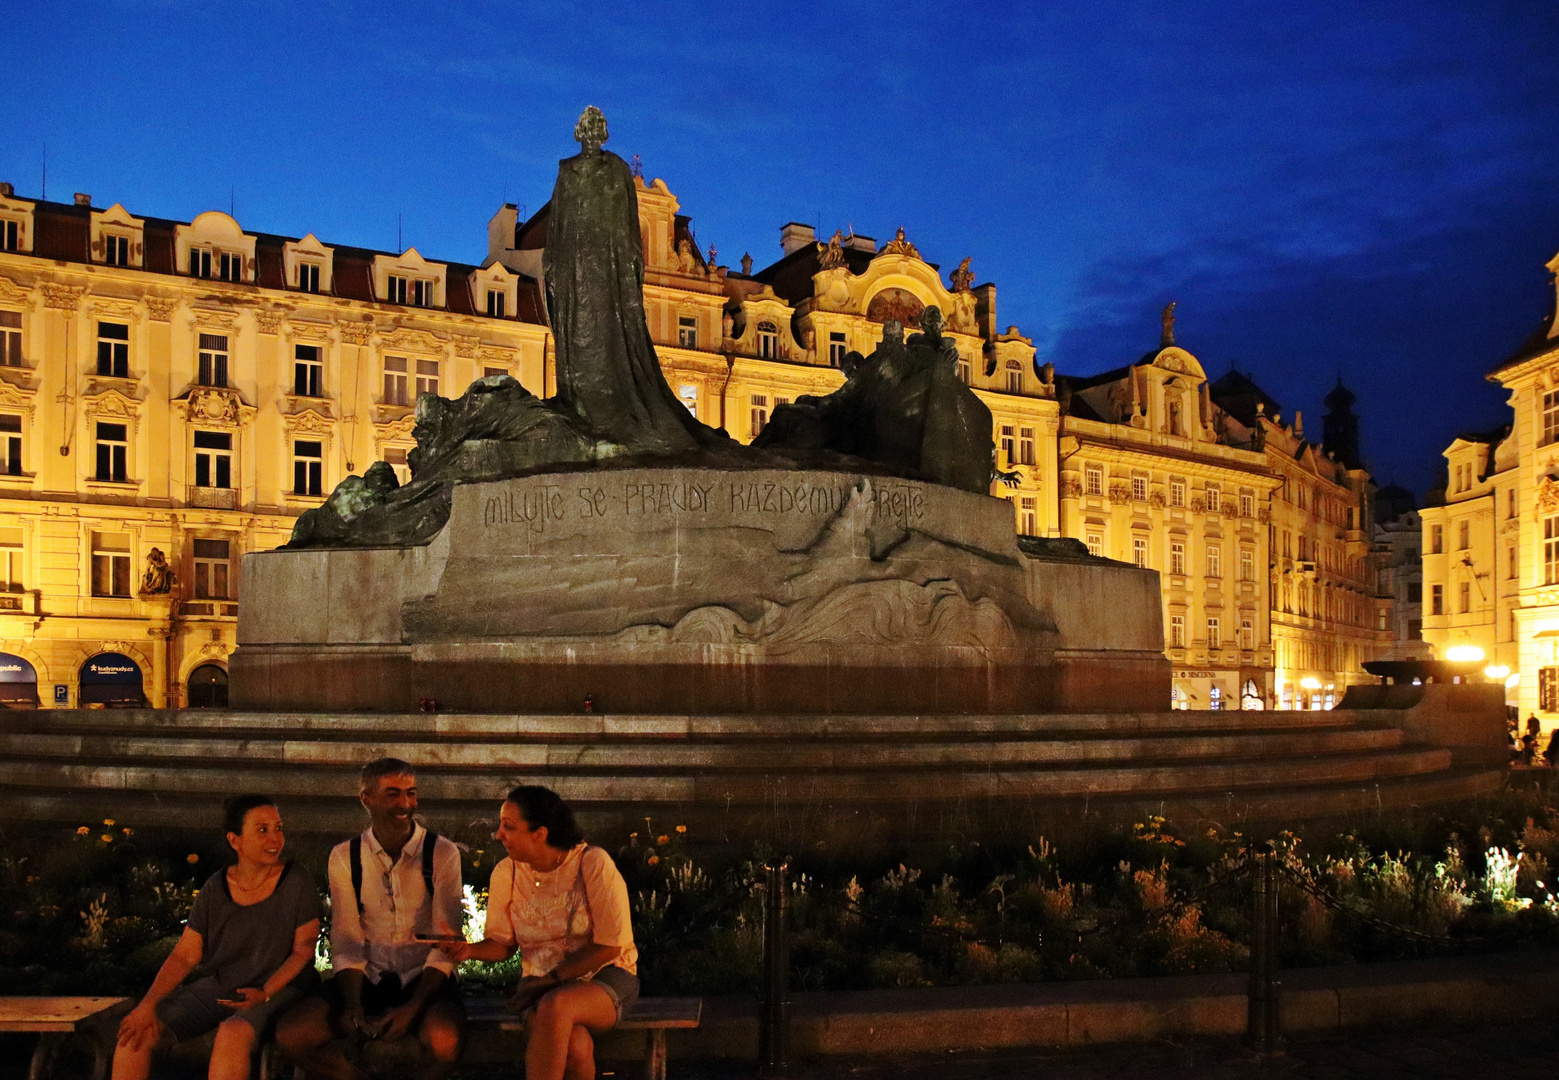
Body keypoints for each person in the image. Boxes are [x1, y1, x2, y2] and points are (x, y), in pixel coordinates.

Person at [275, 758, 465, 1079]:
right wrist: (352, 1004)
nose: (405, 803)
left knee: (445, 1044)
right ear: (366, 799)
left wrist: (413, 1007)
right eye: (392, 794)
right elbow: (347, 937)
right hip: (368, 977)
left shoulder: (441, 853)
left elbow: (446, 942)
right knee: (290, 1035)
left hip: (424, 978)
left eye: (410, 793)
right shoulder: (346, 856)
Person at [112, 795, 320, 1080]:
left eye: (278, 827)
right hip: (224, 987)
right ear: (235, 840)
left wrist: (266, 992)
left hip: (283, 988)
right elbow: (185, 954)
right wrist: (147, 1006)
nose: (275, 838)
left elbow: (305, 949)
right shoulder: (215, 888)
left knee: (232, 1033)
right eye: (262, 830)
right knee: (137, 1034)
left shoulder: (296, 880)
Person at [437, 785, 637, 1080]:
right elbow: (503, 944)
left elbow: (609, 947)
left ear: (539, 833)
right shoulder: (508, 871)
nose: (498, 835)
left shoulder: (592, 863)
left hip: (603, 975)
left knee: (556, 1004)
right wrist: (469, 950)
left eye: (508, 827)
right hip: (539, 982)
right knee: (577, 1046)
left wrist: (550, 981)